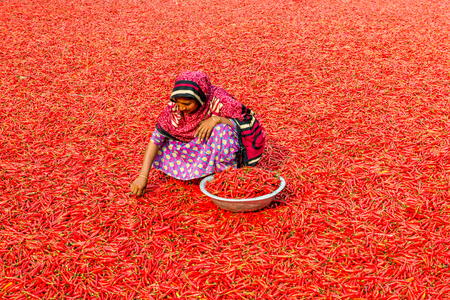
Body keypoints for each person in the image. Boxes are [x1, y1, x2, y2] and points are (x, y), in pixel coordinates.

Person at [130, 71, 265, 196]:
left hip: (210, 146)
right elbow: (155, 140)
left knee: (222, 130)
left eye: (187, 104)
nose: (182, 108)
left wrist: (217, 119)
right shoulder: (174, 109)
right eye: (179, 103)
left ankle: (226, 176)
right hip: (190, 150)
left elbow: (247, 121)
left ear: (201, 97)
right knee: (163, 138)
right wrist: (143, 176)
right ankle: (193, 172)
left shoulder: (218, 100)